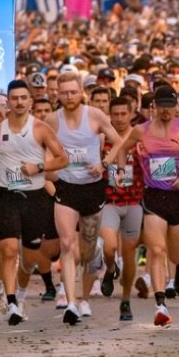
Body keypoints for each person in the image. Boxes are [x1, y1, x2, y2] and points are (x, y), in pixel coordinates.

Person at [109, 84, 179, 328]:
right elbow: (122, 150)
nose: (166, 112)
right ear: (154, 107)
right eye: (161, 107)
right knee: (156, 250)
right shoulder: (140, 130)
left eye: (170, 107)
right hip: (154, 196)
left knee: (175, 255)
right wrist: (121, 170)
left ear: (176, 107)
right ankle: (160, 305)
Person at [0, 80, 69, 326]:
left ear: (30, 101)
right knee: (8, 249)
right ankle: (11, 303)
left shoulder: (40, 128)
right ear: (7, 102)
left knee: (29, 259)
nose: (19, 102)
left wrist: (38, 167)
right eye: (14, 98)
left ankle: (20, 295)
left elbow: (63, 159)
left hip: (35, 198)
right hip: (8, 196)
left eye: (23, 98)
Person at [48, 68, 122, 325]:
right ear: (58, 94)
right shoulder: (52, 120)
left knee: (87, 252)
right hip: (66, 187)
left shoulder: (95, 116)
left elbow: (119, 142)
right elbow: (42, 148)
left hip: (92, 188)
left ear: (81, 92)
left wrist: (104, 164)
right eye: (64, 93)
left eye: (73, 92)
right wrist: (48, 169)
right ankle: (71, 303)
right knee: (67, 244)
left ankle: (91, 276)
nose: (69, 97)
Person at [100, 92, 144, 323]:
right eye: (115, 114)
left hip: (134, 203)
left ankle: (125, 300)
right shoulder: (103, 139)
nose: (119, 118)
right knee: (109, 247)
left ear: (131, 114)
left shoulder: (139, 138)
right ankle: (109, 269)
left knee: (129, 255)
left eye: (123, 114)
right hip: (110, 202)